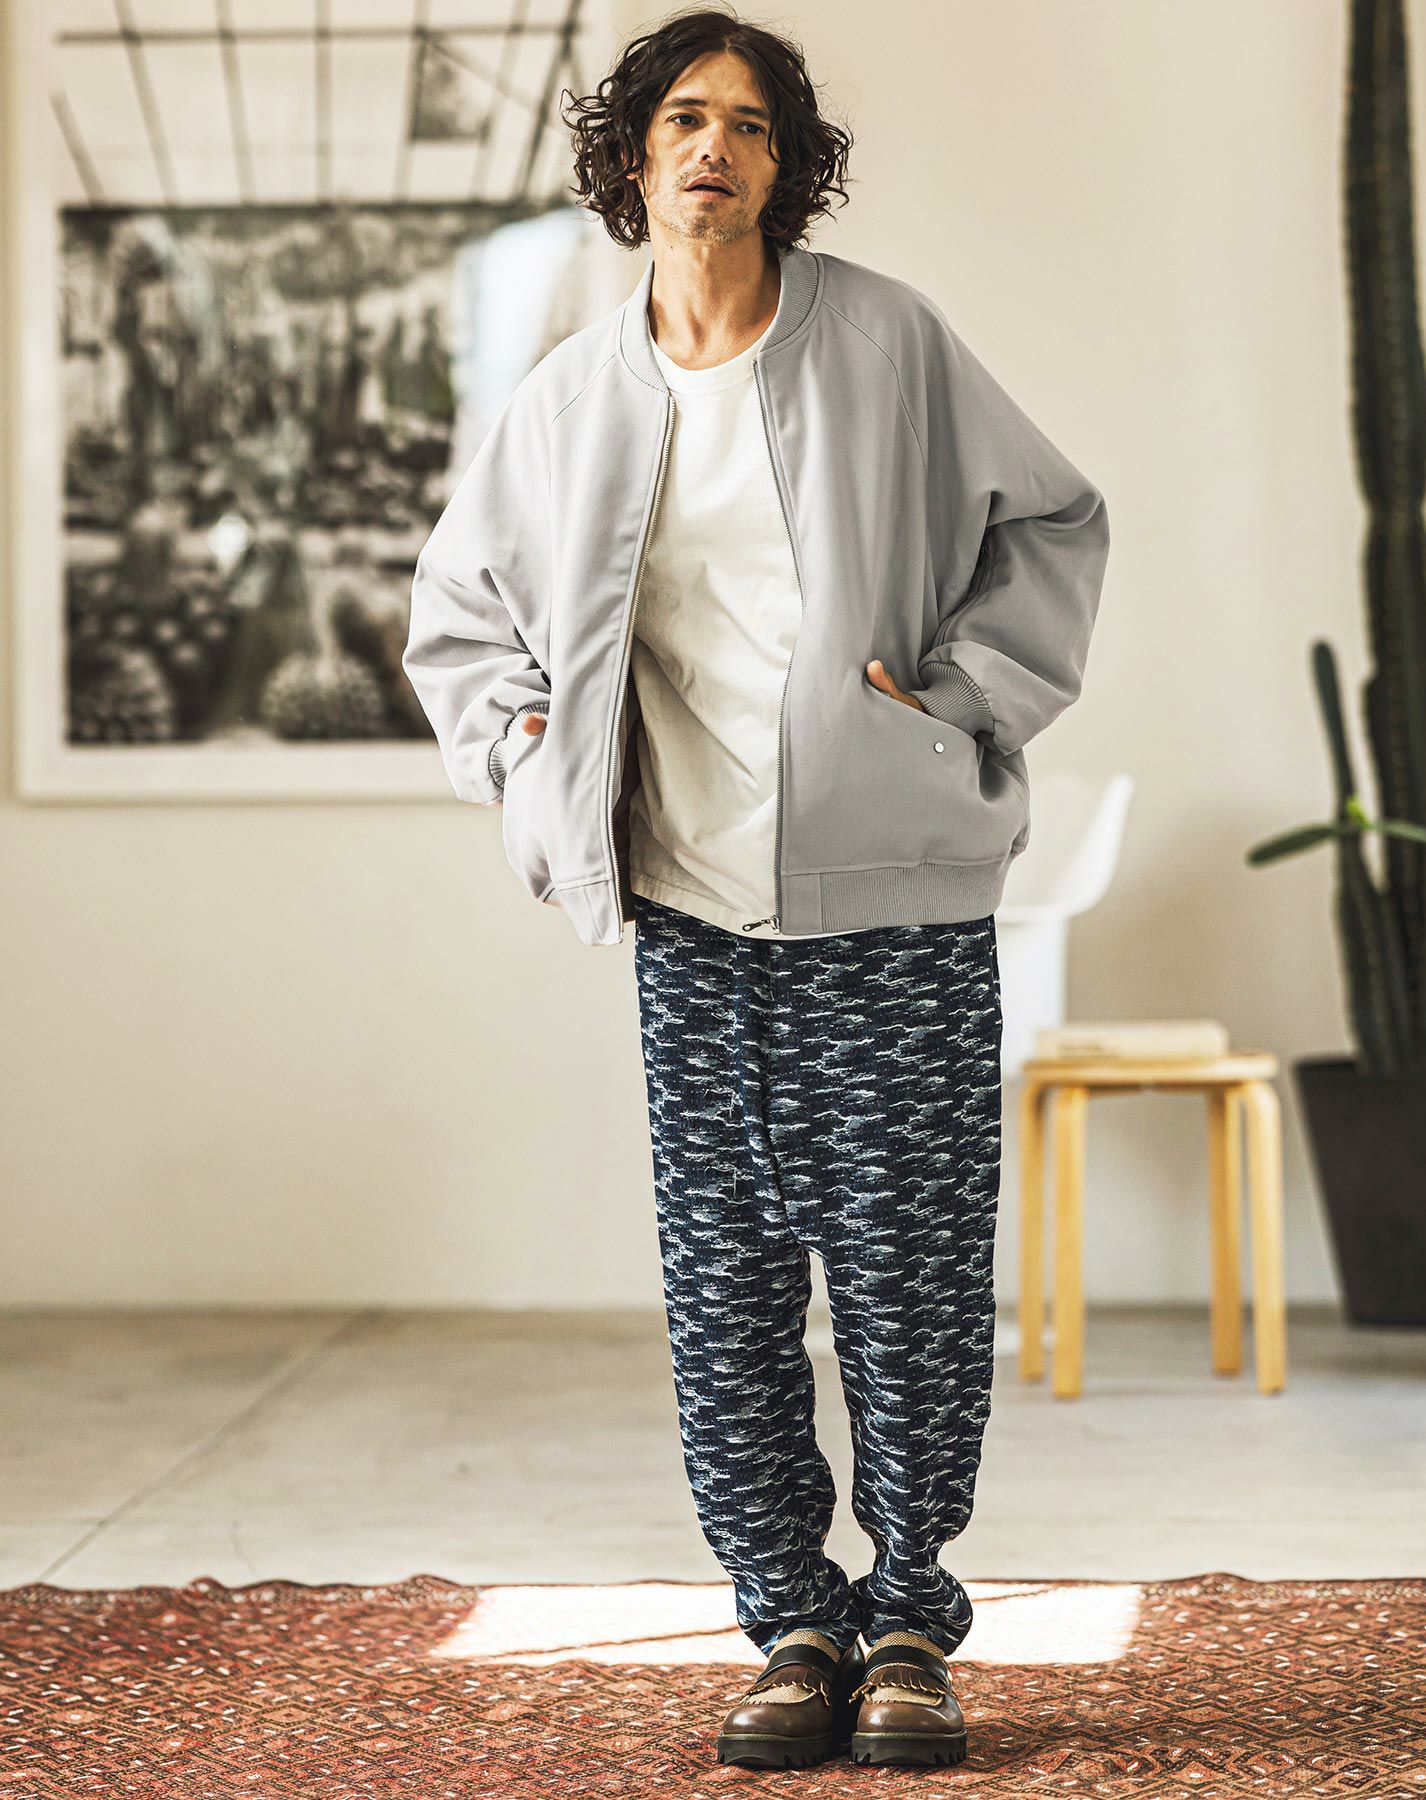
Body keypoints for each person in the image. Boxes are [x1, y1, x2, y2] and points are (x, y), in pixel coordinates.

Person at [403, 5, 1110, 1771]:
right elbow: (461, 621)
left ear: (786, 167)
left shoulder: (886, 340)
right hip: (691, 913)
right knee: (725, 1298)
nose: (714, 146)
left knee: (910, 1283)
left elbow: (1054, 521)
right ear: (632, 157)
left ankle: (911, 1622)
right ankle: (790, 1621)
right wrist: (534, 758)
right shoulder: (572, 398)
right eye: (682, 119)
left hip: (897, 900)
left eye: (750, 124)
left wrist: (956, 709)